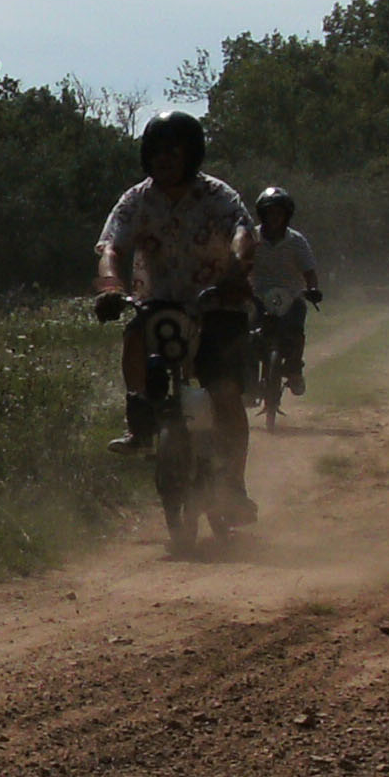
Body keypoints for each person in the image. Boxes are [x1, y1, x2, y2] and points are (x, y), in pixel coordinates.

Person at [91, 111, 258, 517]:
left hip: (216, 303)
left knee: (225, 392)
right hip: (158, 303)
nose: (163, 159)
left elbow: (242, 234)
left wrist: (236, 271)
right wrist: (111, 286)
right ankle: (138, 418)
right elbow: (111, 247)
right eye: (156, 151)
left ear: (191, 154)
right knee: (135, 335)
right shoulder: (136, 200)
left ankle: (234, 484)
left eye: (173, 151)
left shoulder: (218, 196)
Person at [246, 187, 324, 395]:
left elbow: (309, 271)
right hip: (258, 296)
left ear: (287, 215)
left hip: (291, 296)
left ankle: (294, 369)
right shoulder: (251, 238)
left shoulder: (297, 241)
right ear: (262, 214)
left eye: (279, 213)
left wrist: (313, 289)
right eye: (269, 212)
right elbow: (241, 265)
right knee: (247, 335)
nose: (274, 217)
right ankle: (248, 379)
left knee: (295, 330)